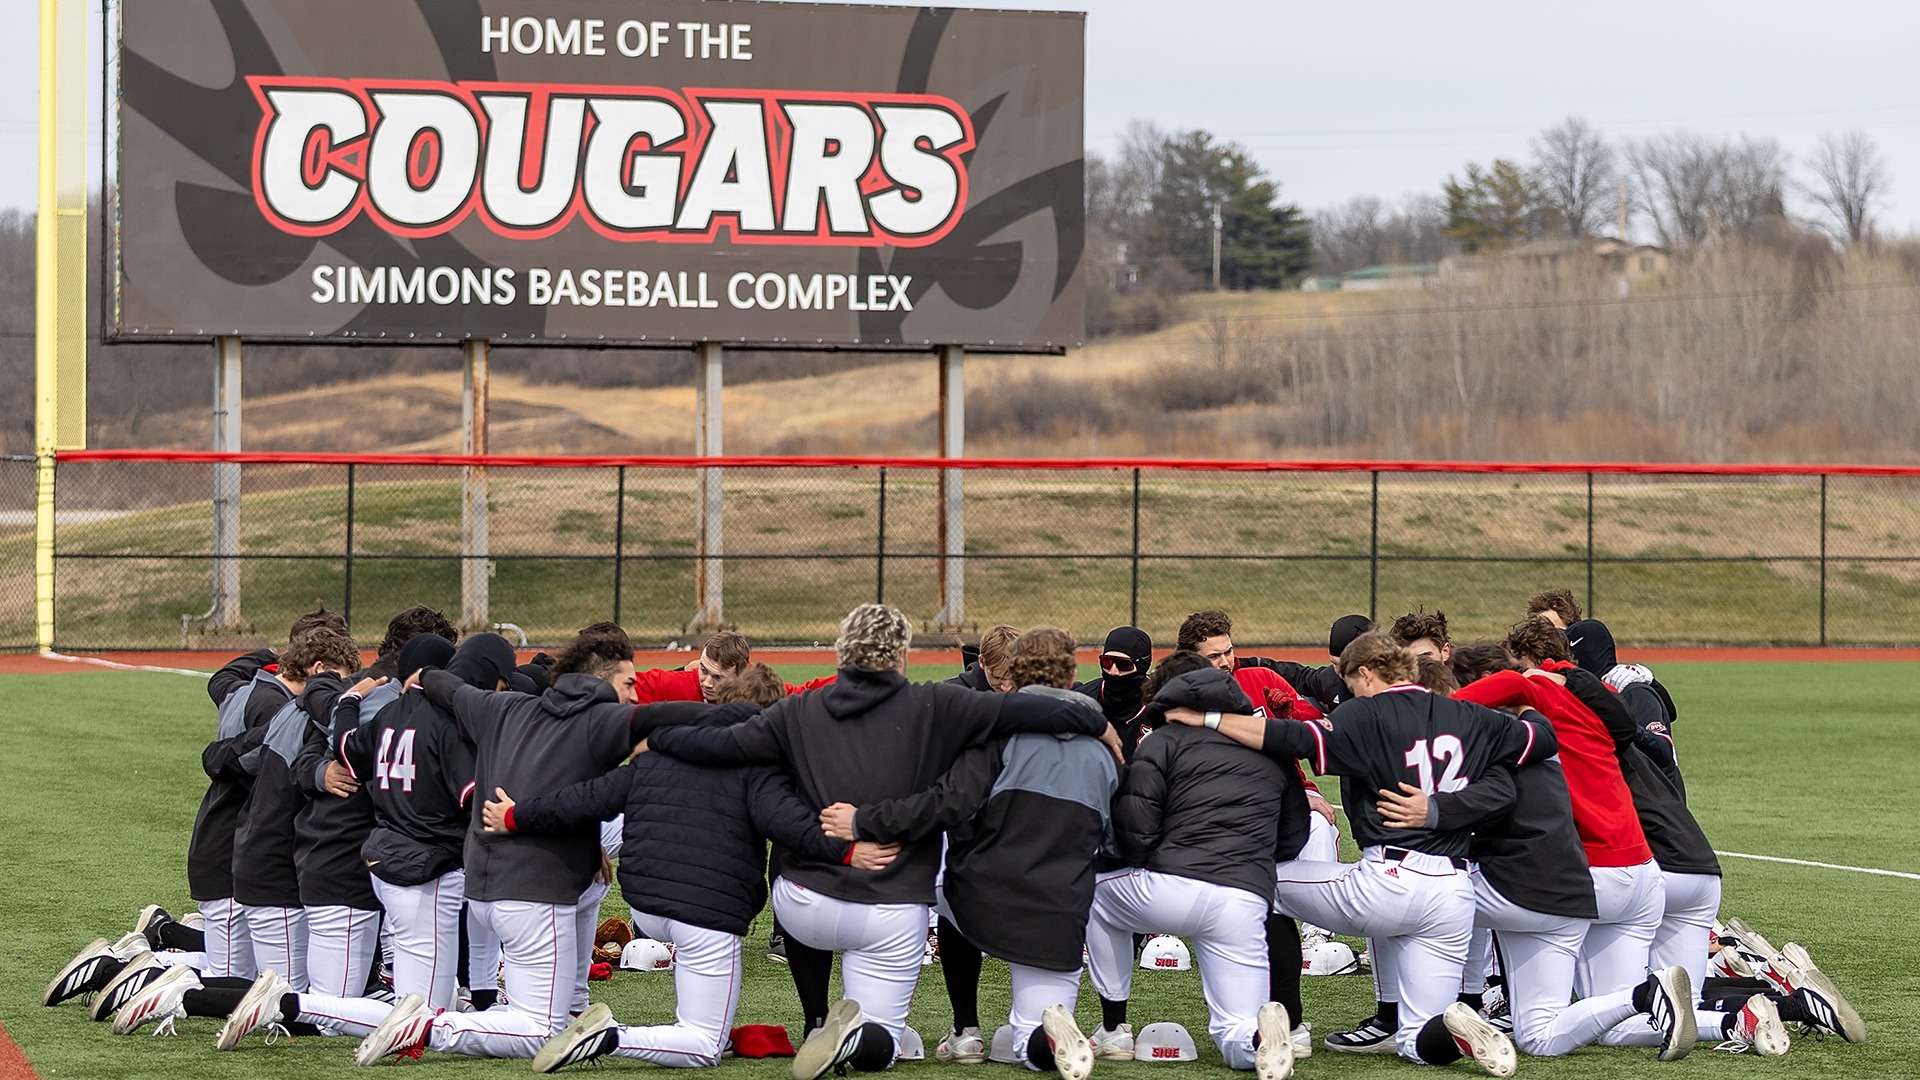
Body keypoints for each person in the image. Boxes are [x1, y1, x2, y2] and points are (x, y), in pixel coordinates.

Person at [640, 603, 1114, 1080]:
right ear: (902, 656)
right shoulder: (936, 703)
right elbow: (1027, 706)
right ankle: (865, 1036)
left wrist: (651, 737)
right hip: (891, 904)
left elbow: (721, 741)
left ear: (842, 652)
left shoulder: (797, 710)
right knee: (883, 1045)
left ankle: (818, 1020)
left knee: (802, 900)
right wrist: (1097, 723)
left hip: (803, 902)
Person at [1162, 632, 1557, 1075]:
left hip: (1387, 880)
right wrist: (1527, 703)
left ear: (1365, 673)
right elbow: (1541, 740)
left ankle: (1280, 1016)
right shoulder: (1469, 715)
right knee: (1415, 1040)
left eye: (1350, 683)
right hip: (1455, 891)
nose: (1348, 692)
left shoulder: (1364, 712)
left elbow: (1287, 737)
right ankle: (1456, 1025)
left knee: (1254, 884)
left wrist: (1209, 720)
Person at [478, 667, 900, 1074]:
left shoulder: (659, 747)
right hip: (705, 912)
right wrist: (848, 853)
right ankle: (611, 1037)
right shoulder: (758, 760)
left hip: (643, 908)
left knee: (701, 1012)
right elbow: (786, 822)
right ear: (772, 717)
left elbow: (585, 799)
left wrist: (517, 816)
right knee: (703, 1045)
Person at [352, 627, 708, 1063]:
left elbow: (451, 687)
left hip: (483, 889)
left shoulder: (503, 707)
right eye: (629, 684)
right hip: (535, 892)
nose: (635, 696)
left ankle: (375, 1012)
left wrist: (424, 673)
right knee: (542, 1030)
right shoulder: (601, 720)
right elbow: (676, 718)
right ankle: (426, 1026)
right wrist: (758, 715)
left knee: (540, 1016)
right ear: (601, 680)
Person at [819, 627, 1121, 1080]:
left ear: (1011, 675)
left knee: (929, 881)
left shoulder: (995, 733)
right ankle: (1047, 1035)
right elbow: (1116, 840)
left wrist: (864, 822)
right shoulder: (1107, 750)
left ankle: (944, 1029)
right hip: (1061, 907)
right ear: (1074, 673)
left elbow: (946, 806)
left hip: (982, 894)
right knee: (1029, 1040)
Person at [1083, 659, 1299, 1080]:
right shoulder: (1269, 747)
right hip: (1243, 897)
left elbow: (1134, 833)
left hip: (1171, 886)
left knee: (1092, 889)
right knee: (1235, 1029)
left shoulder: (1160, 743)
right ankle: (1258, 1039)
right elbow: (1293, 836)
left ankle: (1113, 1026)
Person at [230, 624, 363, 993]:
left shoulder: (288, 710)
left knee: (277, 993)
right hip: (275, 873)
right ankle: (175, 987)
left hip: (258, 860)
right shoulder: (310, 712)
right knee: (285, 999)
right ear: (319, 671)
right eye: (342, 678)